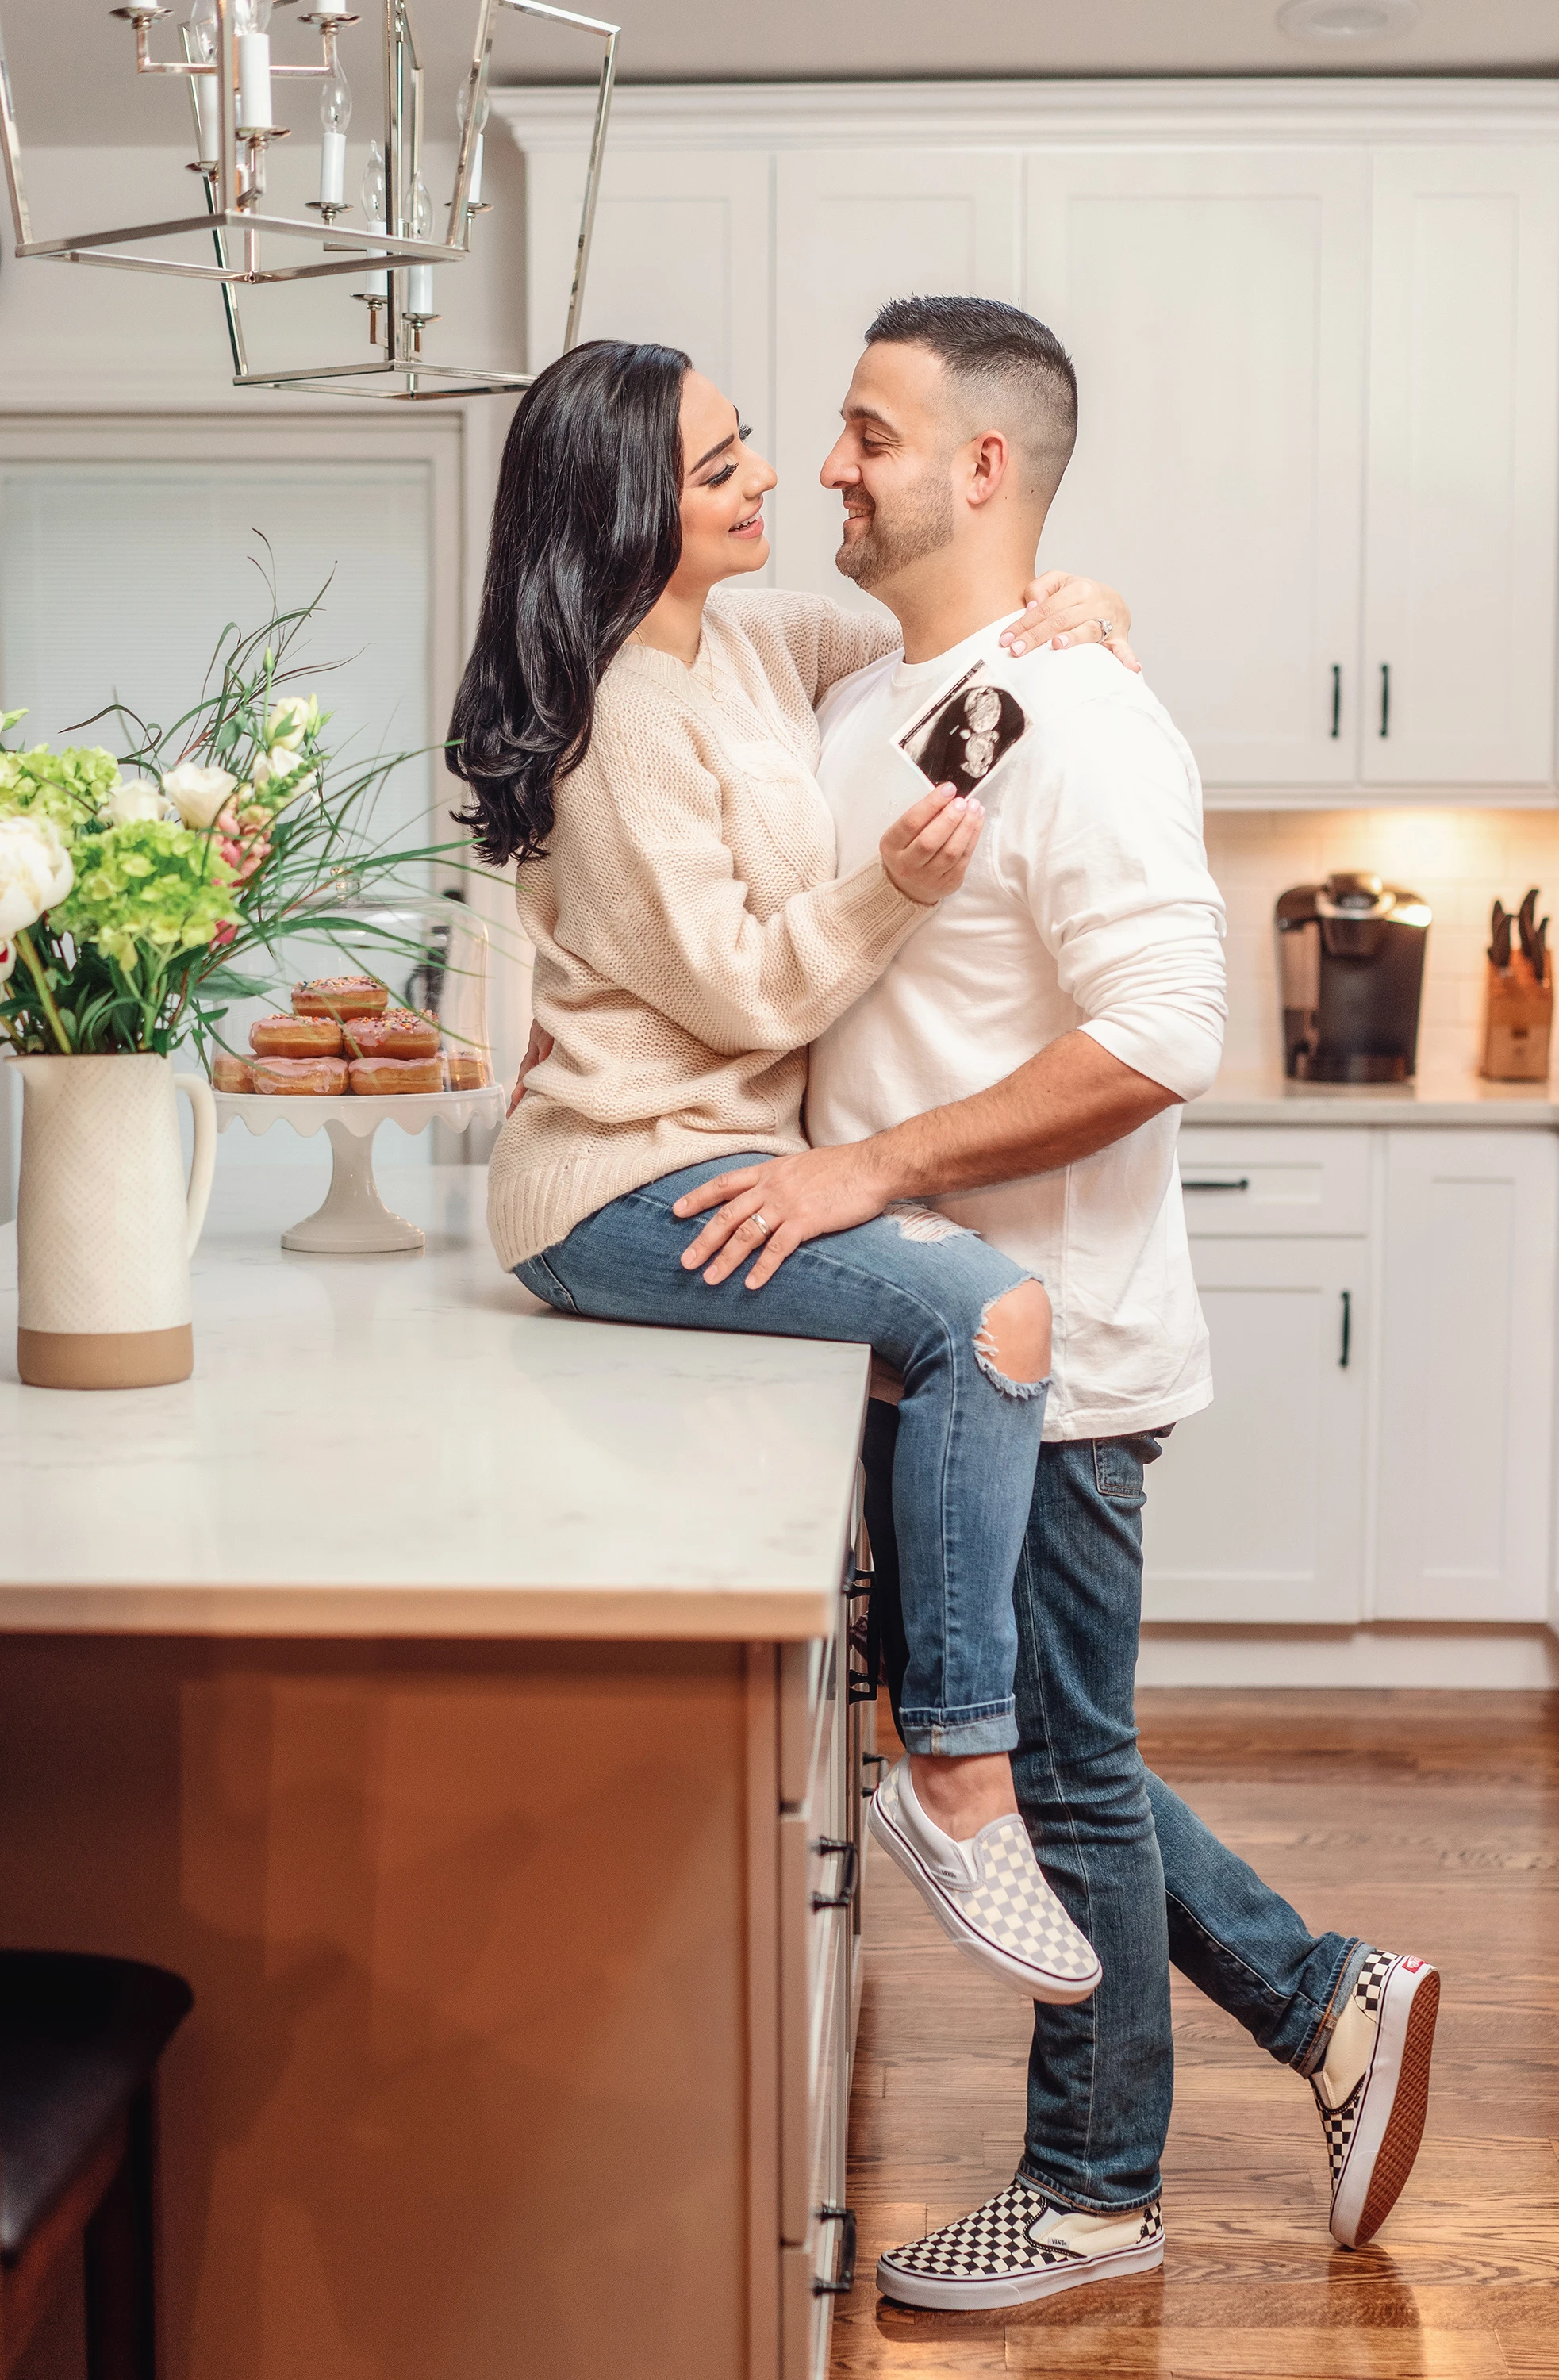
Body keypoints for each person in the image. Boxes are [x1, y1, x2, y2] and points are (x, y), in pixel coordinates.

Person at [670, 294, 1442, 2303]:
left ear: (980, 466)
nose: (828, 465)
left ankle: (1097, 2192)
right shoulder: (888, 691)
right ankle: (1327, 1999)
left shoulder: (1084, 719)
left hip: (1050, 1351)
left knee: (1056, 1768)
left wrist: (870, 1172)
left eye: (863, 431)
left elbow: (1168, 1027)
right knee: (1030, 1746)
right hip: (931, 1348)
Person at [447, 337, 1139, 2005]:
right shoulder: (616, 720)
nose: (767, 476)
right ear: (630, 515)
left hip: (722, 1161)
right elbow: (749, 985)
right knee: (986, 1319)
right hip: (618, 1186)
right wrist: (895, 885)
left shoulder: (756, 642)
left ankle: (942, 1747)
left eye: (751, 444)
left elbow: (933, 629)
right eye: (720, 467)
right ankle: (958, 1777)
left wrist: (1076, 603)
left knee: (978, 1327)